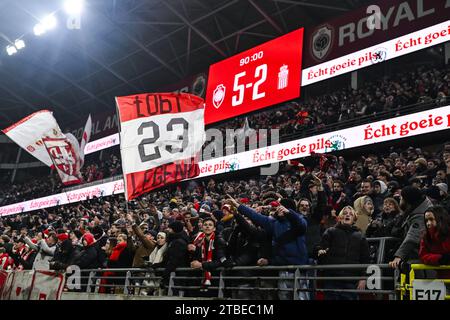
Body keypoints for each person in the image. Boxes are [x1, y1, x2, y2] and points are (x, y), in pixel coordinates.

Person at [228, 195, 309, 300]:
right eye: (279, 207)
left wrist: (289, 213)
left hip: (300, 269)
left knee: (302, 297)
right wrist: (238, 206)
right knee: (284, 296)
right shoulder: (273, 223)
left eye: (282, 207)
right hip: (282, 268)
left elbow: (301, 225)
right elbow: (255, 216)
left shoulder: (300, 220)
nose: (279, 209)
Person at [317, 206, 369, 300]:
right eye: (345, 213)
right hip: (332, 279)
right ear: (340, 217)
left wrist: (363, 278)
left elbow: (365, 259)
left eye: (350, 214)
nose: (347, 215)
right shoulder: (330, 231)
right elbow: (321, 248)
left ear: (354, 219)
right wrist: (320, 251)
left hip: (351, 280)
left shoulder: (360, 236)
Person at [389, 186, 433, 269]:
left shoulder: (420, 215)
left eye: (401, 198)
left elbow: (412, 237)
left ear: (407, 200)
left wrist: (399, 256)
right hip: (415, 258)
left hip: (419, 261)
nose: (400, 200)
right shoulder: (413, 211)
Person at [190, 217, 227, 291]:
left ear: (214, 229)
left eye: (210, 225)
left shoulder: (219, 241)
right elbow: (197, 258)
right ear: (202, 227)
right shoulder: (200, 242)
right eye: (205, 225)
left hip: (217, 279)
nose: (207, 226)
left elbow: (221, 261)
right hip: (202, 278)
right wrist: (194, 262)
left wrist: (202, 265)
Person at [419, 206, 450, 280]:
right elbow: (423, 255)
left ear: (440, 218)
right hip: (442, 279)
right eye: (426, 220)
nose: (428, 223)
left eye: (431, 219)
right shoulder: (426, 237)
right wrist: (440, 258)